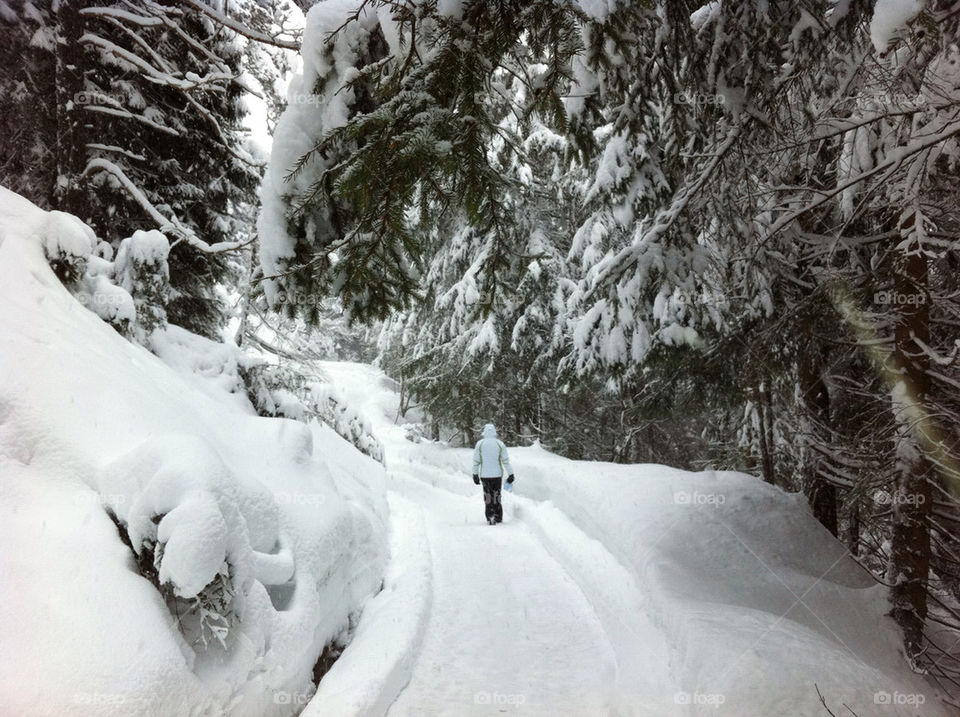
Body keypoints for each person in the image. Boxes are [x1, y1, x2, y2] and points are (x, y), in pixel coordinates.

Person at [472, 423, 515, 525]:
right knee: (497, 495)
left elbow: (476, 462)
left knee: (488, 495)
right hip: (497, 475)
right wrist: (511, 474)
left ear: (485, 432)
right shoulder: (500, 444)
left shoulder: (480, 444)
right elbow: (505, 461)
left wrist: (475, 474)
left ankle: (490, 516)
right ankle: (498, 516)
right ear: (494, 432)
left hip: (485, 476)